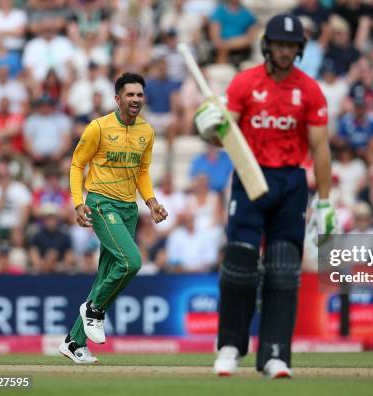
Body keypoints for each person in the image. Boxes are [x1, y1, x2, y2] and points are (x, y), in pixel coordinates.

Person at [194, 14, 337, 378]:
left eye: (292, 45)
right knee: (239, 266)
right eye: (280, 44)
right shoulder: (246, 82)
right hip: (249, 176)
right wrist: (208, 127)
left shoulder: (309, 89)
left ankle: (275, 354)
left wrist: (324, 201)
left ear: (300, 50)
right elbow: (223, 135)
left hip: (290, 184)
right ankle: (229, 346)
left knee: (283, 272)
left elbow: (320, 150)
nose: (285, 51)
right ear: (267, 46)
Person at [59, 73, 168, 364]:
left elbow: (142, 172)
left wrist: (152, 201)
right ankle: (94, 309)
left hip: (129, 209)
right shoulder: (98, 127)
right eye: (130, 95)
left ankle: (73, 342)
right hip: (101, 203)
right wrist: (77, 202)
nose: (135, 100)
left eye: (139, 95)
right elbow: (76, 165)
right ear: (117, 99)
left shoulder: (147, 131)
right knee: (132, 262)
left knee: (106, 275)